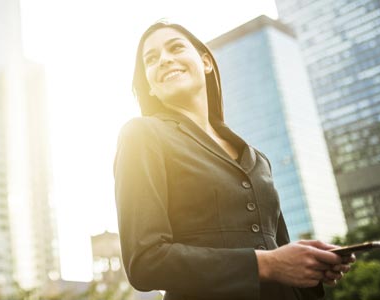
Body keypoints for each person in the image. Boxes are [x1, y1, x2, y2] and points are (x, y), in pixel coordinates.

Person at [113, 20, 355, 300]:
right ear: (150, 86)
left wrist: (311, 265)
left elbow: (279, 250)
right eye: (151, 59)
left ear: (205, 62)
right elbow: (145, 261)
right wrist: (267, 264)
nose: (165, 60)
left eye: (175, 47)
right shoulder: (141, 135)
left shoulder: (257, 158)